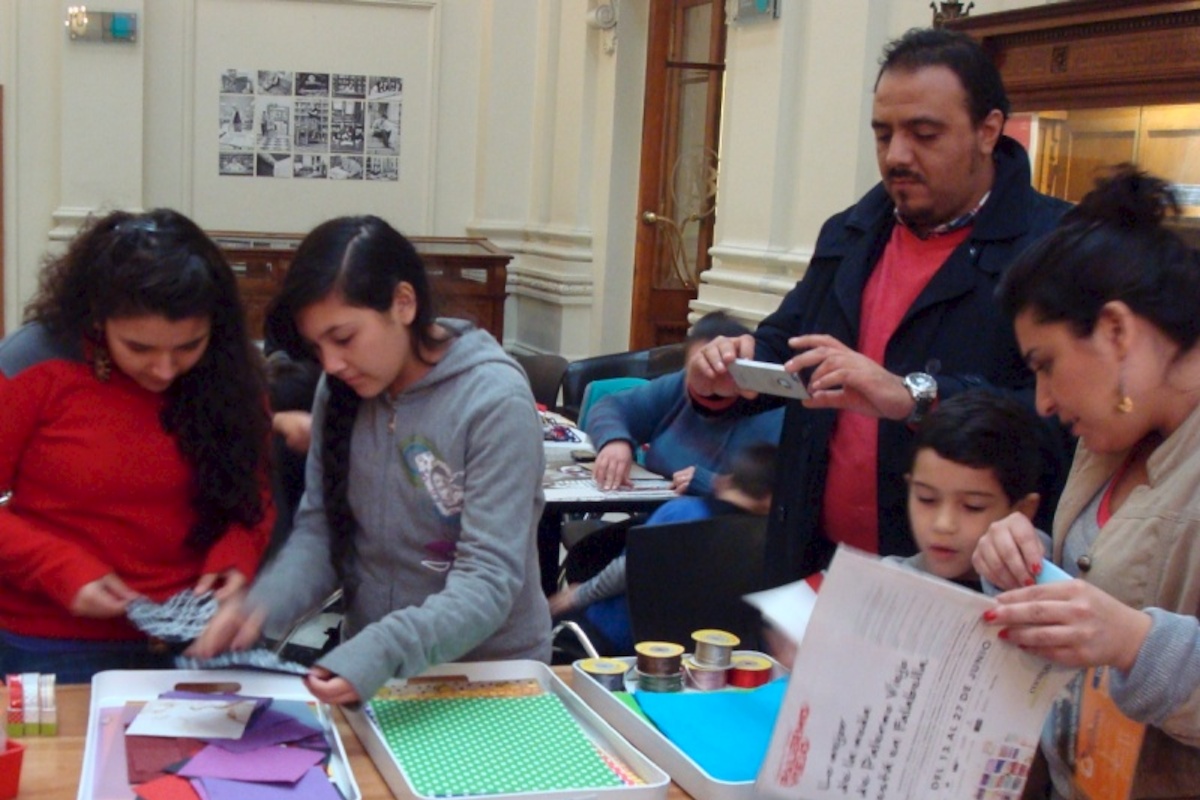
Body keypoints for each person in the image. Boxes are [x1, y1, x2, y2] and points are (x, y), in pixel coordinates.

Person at [686, 27, 1071, 586]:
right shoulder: (852, 232)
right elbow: (787, 348)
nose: (896, 156)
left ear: (988, 131)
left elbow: (1064, 423)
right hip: (818, 562)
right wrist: (724, 374)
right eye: (883, 134)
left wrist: (914, 397)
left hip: (956, 582)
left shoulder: (1050, 246)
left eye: (924, 134)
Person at [189, 215, 552, 705]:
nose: (331, 363)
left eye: (343, 338)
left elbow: (487, 581)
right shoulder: (340, 390)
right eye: (318, 346)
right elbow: (322, 532)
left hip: (488, 679)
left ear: (404, 303)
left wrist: (380, 649)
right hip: (375, 673)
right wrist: (258, 608)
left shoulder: (493, 400)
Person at [973, 167, 1200, 798]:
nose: (1042, 401)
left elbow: (1118, 621)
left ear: (1117, 331)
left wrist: (1132, 641)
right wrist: (1023, 561)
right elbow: (1095, 580)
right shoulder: (1109, 437)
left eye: (1046, 366)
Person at [0, 209, 275, 682]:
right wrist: (58, 566)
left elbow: (256, 492)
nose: (165, 370)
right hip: (54, 642)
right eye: (139, 348)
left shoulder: (230, 372)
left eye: (188, 346)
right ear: (97, 318)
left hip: (200, 638)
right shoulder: (33, 364)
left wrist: (236, 557)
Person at [551, 442, 777, 655]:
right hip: (702, 649)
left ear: (725, 481)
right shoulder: (766, 536)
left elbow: (626, 571)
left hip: (620, 637)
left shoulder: (681, 514)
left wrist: (576, 596)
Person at [589, 310, 784, 496]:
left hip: (719, 523)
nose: (709, 379)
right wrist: (615, 441)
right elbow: (610, 406)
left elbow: (771, 491)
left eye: (720, 368)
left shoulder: (771, 411)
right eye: (699, 368)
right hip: (651, 511)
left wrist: (712, 484)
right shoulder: (678, 386)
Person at [894, 390, 1045, 591]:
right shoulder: (883, 584)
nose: (943, 525)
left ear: (1023, 510)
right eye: (926, 499)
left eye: (973, 506)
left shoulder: (1052, 585)